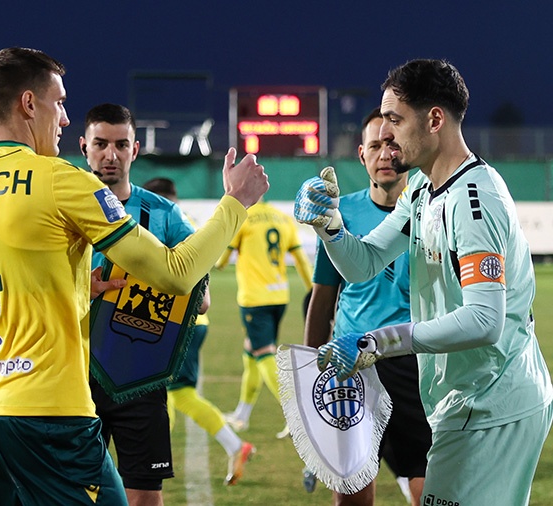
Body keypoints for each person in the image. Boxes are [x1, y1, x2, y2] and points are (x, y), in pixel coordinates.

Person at [0, 47, 268, 506]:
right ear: (29, 104)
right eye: (59, 102)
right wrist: (235, 203)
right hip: (50, 412)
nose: (65, 118)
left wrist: (72, 292)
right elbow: (176, 273)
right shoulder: (60, 179)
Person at [294, 58, 553, 506]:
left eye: (395, 119)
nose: (386, 133)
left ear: (434, 120)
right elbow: (364, 262)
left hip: (494, 402)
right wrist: (330, 225)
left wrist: (378, 341)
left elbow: (484, 320)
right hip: (467, 398)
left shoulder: (474, 200)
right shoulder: (421, 190)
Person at [302, 108, 430, 506]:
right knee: (353, 493)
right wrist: (312, 372)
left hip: (414, 362)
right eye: (375, 146)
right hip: (351, 364)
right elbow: (323, 296)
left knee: (430, 488)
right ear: (362, 155)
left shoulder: (432, 212)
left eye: (393, 144)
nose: (385, 154)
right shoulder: (340, 213)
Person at [142, 177, 256, 486]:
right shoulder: (187, 225)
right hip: (187, 324)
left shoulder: (163, 226)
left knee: (175, 394)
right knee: (166, 393)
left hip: (181, 326)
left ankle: (233, 446)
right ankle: (156, 456)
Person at [215, 198, 313, 437]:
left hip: (255, 299)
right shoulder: (283, 218)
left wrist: (221, 257)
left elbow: (221, 262)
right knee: (251, 353)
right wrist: (313, 290)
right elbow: (301, 259)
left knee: (264, 354)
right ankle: (242, 415)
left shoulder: (243, 219)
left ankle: (296, 414)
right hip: (279, 297)